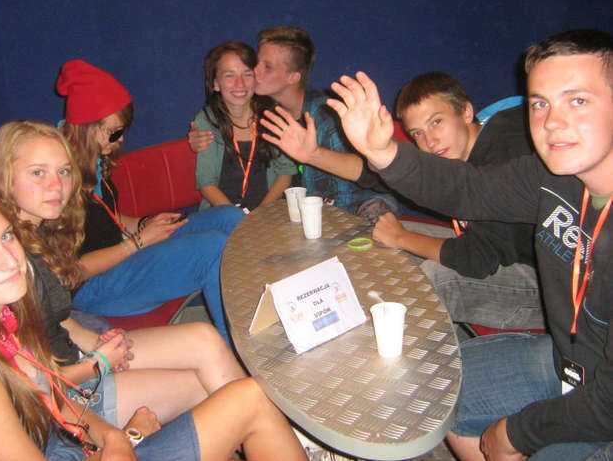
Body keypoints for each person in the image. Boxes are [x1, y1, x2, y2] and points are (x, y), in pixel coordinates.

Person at [325, 29, 612, 460]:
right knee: (433, 393)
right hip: (565, 361)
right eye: (540, 103)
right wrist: (384, 153)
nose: (552, 121)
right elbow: (467, 189)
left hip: (602, 405)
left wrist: (516, 434)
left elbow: (606, 405)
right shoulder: (553, 178)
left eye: (578, 100)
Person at [0, 186, 307, 460]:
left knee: (229, 391)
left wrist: (112, 436)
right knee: (249, 399)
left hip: (70, 445)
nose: (9, 259)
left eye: (6, 237)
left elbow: (52, 401)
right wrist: (132, 439)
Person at [0, 120, 248, 425]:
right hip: (66, 394)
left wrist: (96, 342)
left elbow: (59, 319)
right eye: (38, 172)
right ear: (3, 175)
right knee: (210, 384)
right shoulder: (4, 260)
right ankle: (255, 424)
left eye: (64, 171)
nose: (56, 185)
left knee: (204, 338)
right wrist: (99, 362)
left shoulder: (36, 234)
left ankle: (261, 420)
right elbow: (28, 380)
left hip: (78, 356)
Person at [263, 71, 545, 331]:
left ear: (466, 111)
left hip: (543, 285)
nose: (430, 141)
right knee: (372, 238)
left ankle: (399, 360)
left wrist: (401, 237)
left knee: (437, 279)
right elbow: (377, 175)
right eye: (417, 133)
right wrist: (313, 155)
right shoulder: (458, 151)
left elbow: (476, 258)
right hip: (490, 251)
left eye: (436, 122)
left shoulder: (506, 150)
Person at [55, 59, 245, 344]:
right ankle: (235, 349)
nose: (121, 139)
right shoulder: (58, 181)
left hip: (124, 255)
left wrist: (145, 224)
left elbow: (107, 218)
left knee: (229, 217)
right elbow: (70, 272)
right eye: (114, 131)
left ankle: (256, 313)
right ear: (87, 128)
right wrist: (139, 242)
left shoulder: (93, 159)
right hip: (93, 287)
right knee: (213, 248)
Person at [189, 26, 397, 218]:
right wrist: (200, 139)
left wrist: (314, 155)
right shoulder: (268, 113)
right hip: (309, 215)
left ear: (293, 77)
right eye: (256, 63)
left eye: (267, 67)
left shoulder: (327, 116)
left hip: (359, 208)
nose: (255, 71)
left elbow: (373, 176)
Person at [194, 41, 297, 211]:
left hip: (268, 212)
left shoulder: (273, 116)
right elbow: (206, 184)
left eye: (247, 74)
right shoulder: (207, 120)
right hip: (221, 213)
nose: (240, 83)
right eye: (229, 75)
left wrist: (260, 215)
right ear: (215, 84)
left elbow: (286, 173)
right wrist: (237, 219)